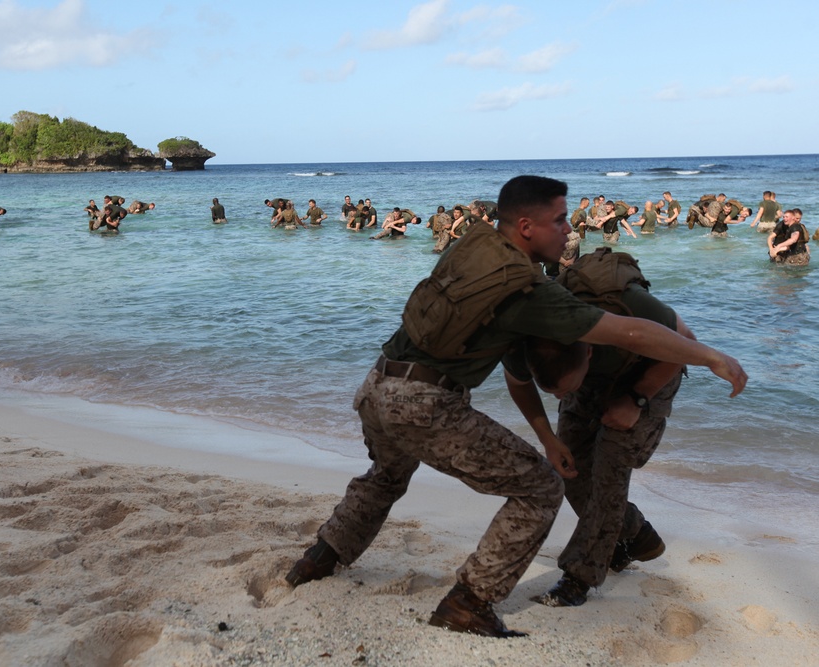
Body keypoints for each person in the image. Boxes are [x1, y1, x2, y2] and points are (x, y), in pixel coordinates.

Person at [284, 175, 747, 639]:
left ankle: (317, 560)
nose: (569, 230)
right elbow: (629, 333)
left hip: (377, 385)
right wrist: (712, 357)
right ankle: (470, 602)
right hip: (423, 402)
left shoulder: (473, 248)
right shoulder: (528, 293)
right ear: (526, 227)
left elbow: (523, 366)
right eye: (560, 220)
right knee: (541, 487)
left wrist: (553, 434)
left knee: (386, 476)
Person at [505, 248, 693, 607]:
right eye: (554, 393)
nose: (560, 397)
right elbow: (518, 382)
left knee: (610, 468)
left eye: (565, 389)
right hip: (586, 375)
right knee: (569, 469)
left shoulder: (628, 309)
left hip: (651, 371)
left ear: (589, 352)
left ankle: (580, 577)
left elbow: (686, 344)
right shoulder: (526, 334)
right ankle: (636, 536)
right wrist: (547, 439)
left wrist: (637, 399)